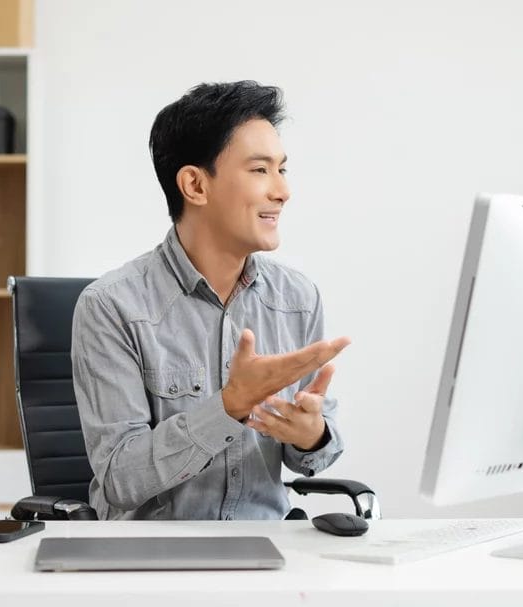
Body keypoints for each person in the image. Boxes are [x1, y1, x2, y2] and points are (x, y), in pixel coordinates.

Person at [72, 80, 351, 520]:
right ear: (195, 185)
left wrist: (311, 435)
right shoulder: (111, 306)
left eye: (283, 169)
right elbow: (120, 479)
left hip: (267, 553)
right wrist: (229, 406)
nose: (282, 191)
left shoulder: (297, 299)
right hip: (152, 565)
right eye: (260, 170)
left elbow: (311, 459)